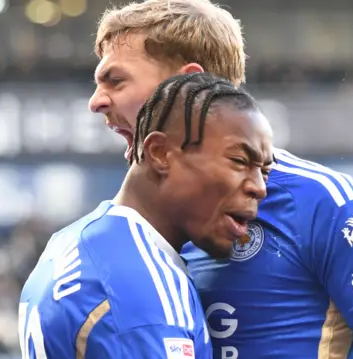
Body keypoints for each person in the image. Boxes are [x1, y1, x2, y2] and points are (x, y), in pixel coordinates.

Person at [88, 0, 353, 358]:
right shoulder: (123, 228)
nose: (96, 101)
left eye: (116, 81)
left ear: (185, 81)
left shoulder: (326, 204)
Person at [19, 72, 274, 359]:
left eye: (264, 171)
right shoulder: (146, 292)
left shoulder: (70, 242)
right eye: (239, 161)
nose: (260, 188)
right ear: (160, 153)